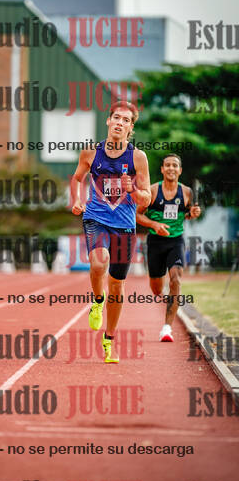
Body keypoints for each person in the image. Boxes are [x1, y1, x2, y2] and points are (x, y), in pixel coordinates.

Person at [70, 101, 151, 363]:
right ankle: (97, 299)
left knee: (117, 285)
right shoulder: (91, 153)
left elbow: (147, 198)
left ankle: (110, 339)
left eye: (126, 120)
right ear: (108, 121)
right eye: (116, 117)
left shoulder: (138, 158)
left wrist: (132, 190)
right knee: (98, 262)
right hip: (96, 218)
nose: (119, 123)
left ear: (131, 127)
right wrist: (77, 200)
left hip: (125, 226)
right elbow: (77, 178)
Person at [136, 153, 201, 342]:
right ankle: (163, 289)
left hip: (176, 241)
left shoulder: (186, 192)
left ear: (180, 170)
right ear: (162, 169)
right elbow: (137, 215)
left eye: (175, 165)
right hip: (155, 242)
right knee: (156, 289)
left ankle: (167, 328)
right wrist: (154, 225)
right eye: (168, 165)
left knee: (175, 280)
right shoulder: (152, 191)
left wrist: (193, 213)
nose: (171, 168)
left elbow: (187, 214)